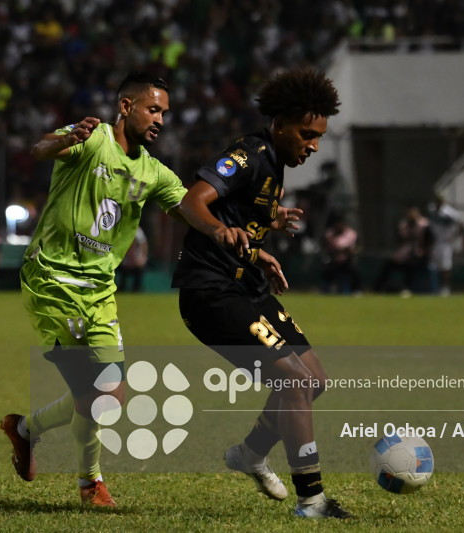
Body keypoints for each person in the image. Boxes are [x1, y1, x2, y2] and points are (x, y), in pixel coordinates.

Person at [0, 72, 188, 507]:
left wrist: (245, 226)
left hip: (101, 291)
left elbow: (189, 208)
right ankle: (91, 484)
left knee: (107, 395)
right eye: (153, 109)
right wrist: (64, 141)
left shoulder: (153, 171)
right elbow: (39, 147)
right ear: (126, 107)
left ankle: (26, 429)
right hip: (52, 279)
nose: (160, 119)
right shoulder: (93, 137)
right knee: (95, 392)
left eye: (164, 112)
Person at [172, 69, 350, 519]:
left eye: (319, 137)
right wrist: (219, 230)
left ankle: (249, 454)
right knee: (293, 383)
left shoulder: (277, 166)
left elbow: (242, 215)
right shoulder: (248, 155)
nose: (312, 145)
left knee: (314, 381)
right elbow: (191, 202)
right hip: (211, 293)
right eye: (307, 134)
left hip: (246, 284)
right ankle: (312, 501)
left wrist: (264, 236)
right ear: (280, 124)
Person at [373, 206, 433, 296]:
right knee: (389, 264)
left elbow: (430, 241)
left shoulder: (424, 225)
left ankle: (406, 288)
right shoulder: (404, 225)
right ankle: (377, 289)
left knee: (411, 264)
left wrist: (424, 252)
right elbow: (400, 241)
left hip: (420, 256)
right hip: (405, 255)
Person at [427, 194, 464, 296]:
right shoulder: (432, 209)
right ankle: (434, 286)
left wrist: (455, 237)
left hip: (446, 242)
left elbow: (461, 225)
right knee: (434, 265)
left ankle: (445, 288)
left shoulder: (450, 213)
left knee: (445, 266)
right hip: (436, 241)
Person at [319, 214, 360, 295]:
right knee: (327, 268)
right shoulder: (329, 234)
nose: (339, 226)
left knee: (350, 271)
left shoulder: (351, 234)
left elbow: (355, 249)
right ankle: (325, 289)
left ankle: (352, 290)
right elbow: (325, 247)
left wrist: (345, 250)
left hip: (346, 261)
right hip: (332, 260)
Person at [116, 226, 148, 292]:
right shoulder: (121, 228)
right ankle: (121, 288)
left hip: (136, 261)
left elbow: (144, 244)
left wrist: (142, 258)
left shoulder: (137, 230)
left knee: (139, 271)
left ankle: (136, 289)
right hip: (124, 260)